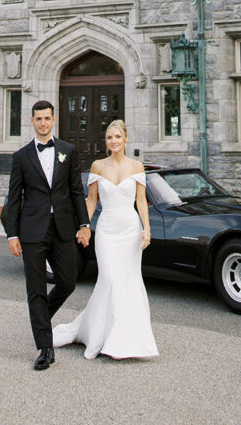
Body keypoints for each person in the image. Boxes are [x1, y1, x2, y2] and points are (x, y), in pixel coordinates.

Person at [52, 119, 159, 360]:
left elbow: (141, 201)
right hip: (108, 231)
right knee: (109, 280)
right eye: (109, 137)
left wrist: (146, 229)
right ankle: (97, 335)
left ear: (126, 139)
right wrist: (84, 226)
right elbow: (91, 200)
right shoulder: (98, 166)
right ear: (106, 141)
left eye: (118, 137)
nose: (113, 141)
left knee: (128, 283)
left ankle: (123, 340)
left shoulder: (137, 167)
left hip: (130, 230)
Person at [5, 99, 91, 370]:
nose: (43, 123)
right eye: (38, 118)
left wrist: (84, 224)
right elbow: (14, 198)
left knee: (68, 281)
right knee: (36, 289)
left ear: (54, 120)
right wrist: (12, 235)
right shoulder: (21, 157)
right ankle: (45, 347)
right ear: (31, 121)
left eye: (47, 118)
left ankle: (41, 317)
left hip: (63, 228)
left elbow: (76, 190)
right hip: (32, 231)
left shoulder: (68, 150)